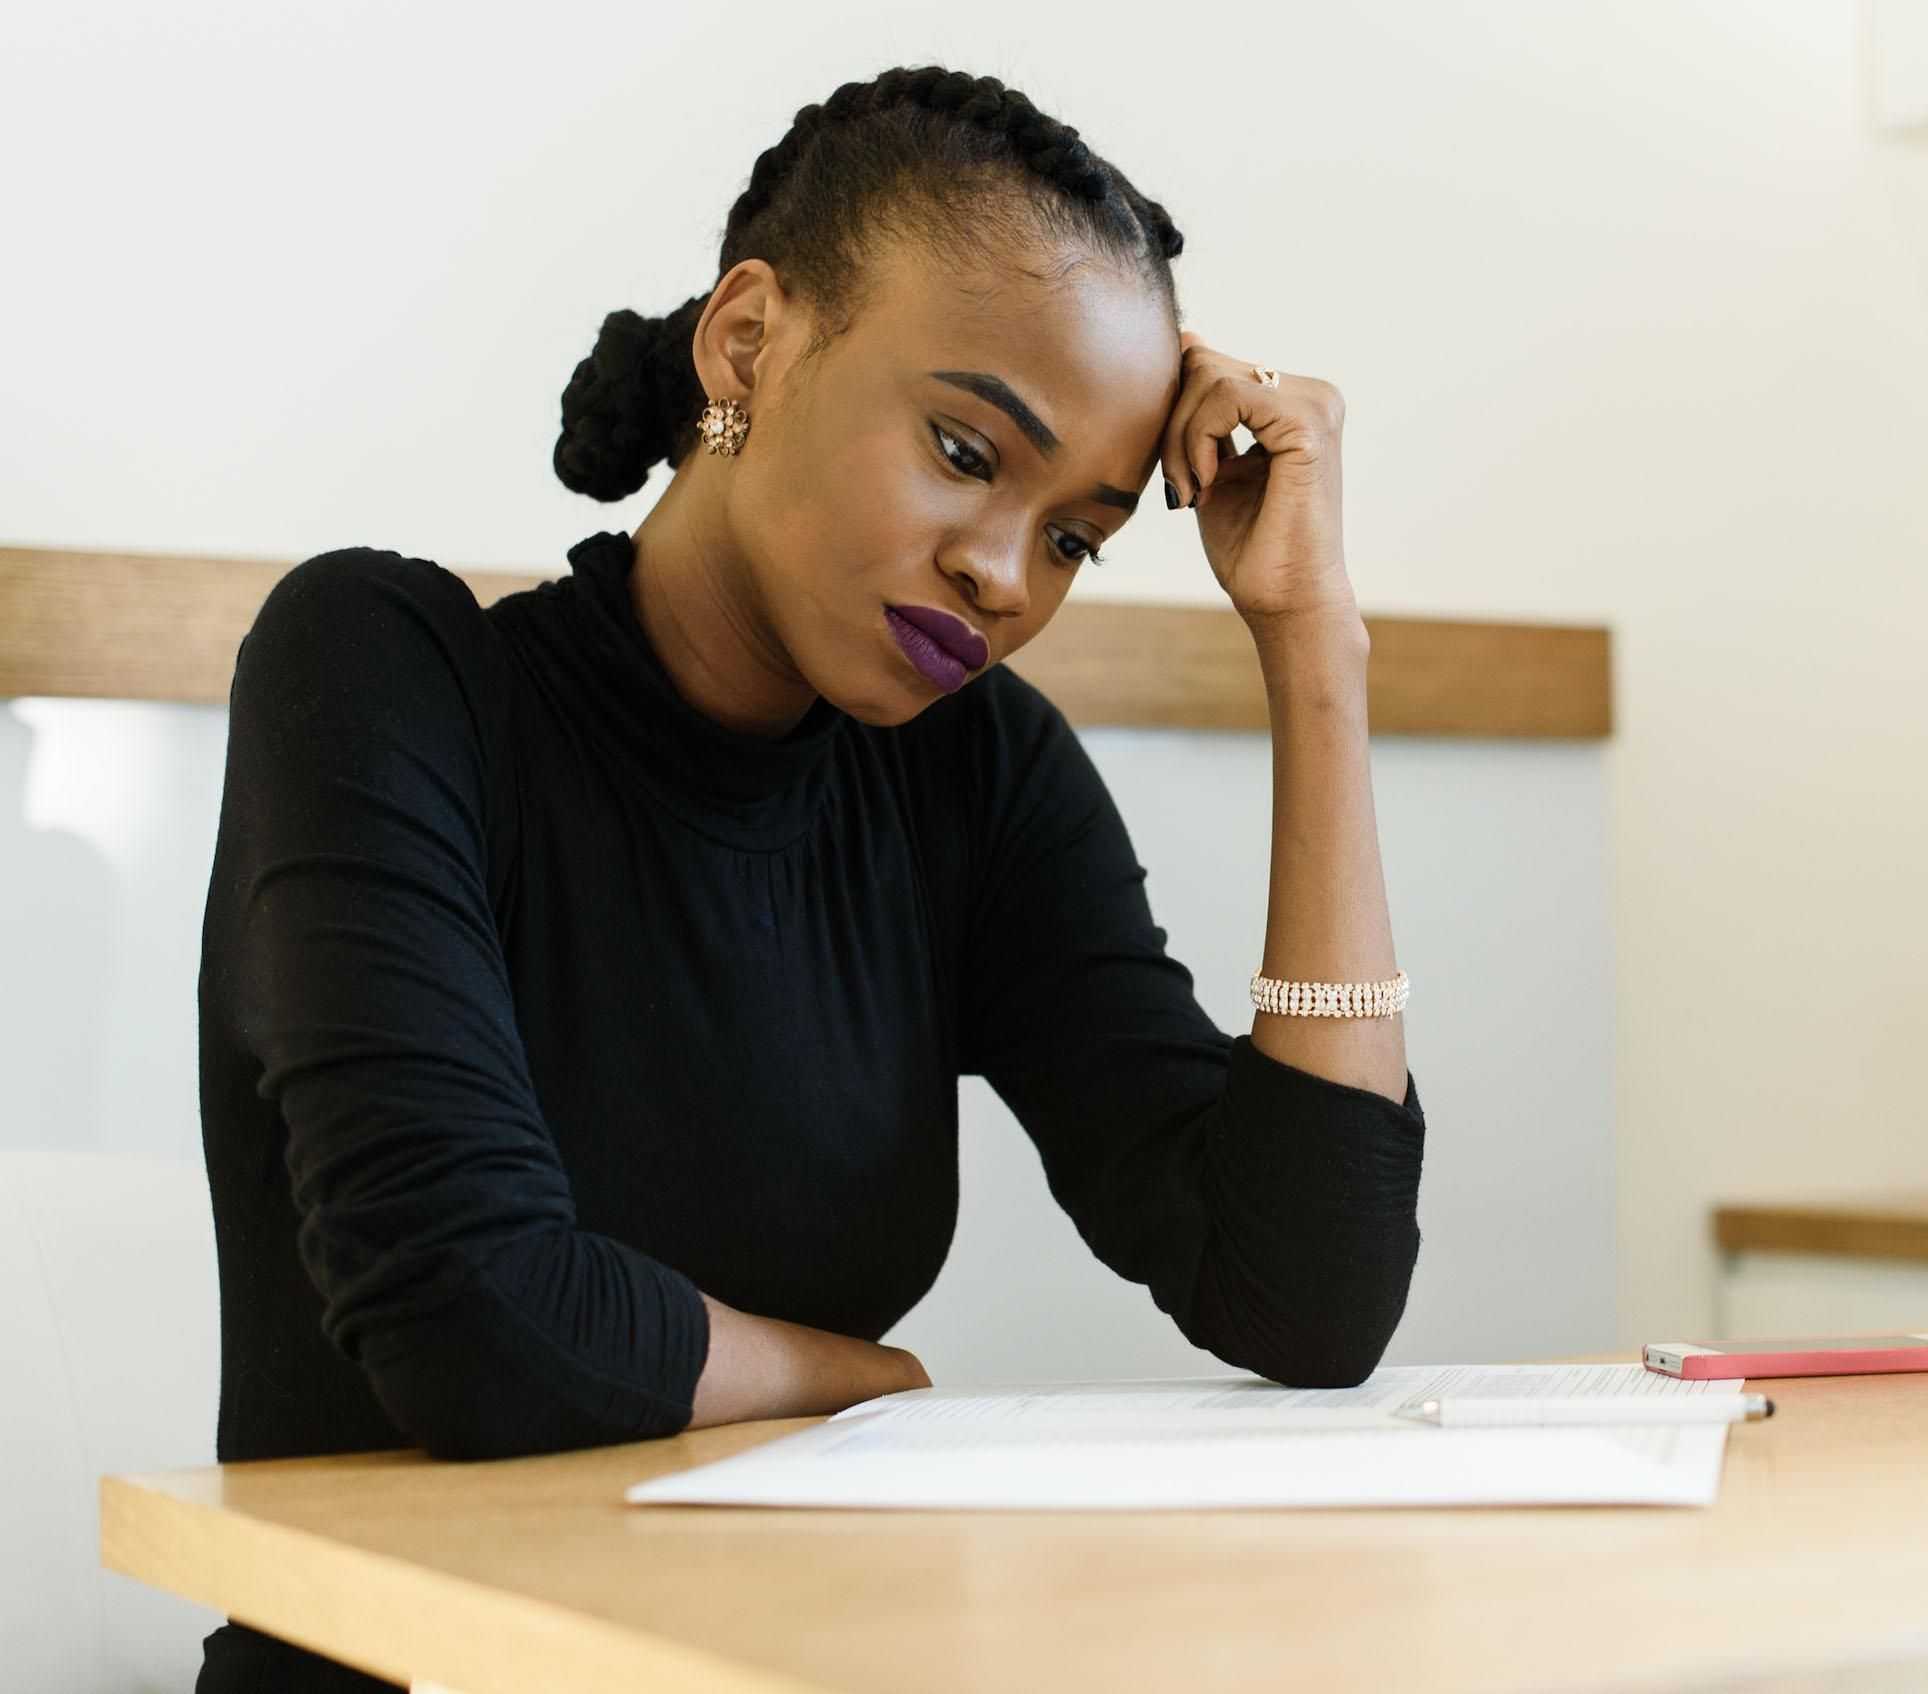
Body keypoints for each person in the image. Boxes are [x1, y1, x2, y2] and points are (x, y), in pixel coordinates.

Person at [195, 64, 1425, 1693]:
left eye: (1076, 536)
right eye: (964, 446)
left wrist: (1312, 645)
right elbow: (469, 1313)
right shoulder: (379, 673)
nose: (1003, 572)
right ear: (749, 343)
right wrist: (844, 1373)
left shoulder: (973, 774)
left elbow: (1301, 1291)